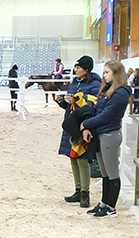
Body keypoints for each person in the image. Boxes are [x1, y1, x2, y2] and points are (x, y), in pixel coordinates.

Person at [81, 60, 132, 217]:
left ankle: (111, 207)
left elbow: (106, 116)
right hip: (101, 133)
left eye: (106, 72)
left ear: (116, 74)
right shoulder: (108, 90)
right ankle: (104, 203)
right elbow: (97, 110)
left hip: (110, 134)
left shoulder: (121, 93)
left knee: (112, 172)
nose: (104, 75)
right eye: (104, 72)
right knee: (104, 172)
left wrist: (85, 123)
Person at [56, 55, 101, 208]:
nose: (75, 70)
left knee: (82, 159)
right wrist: (62, 102)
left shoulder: (95, 84)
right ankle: (77, 189)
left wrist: (77, 100)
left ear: (86, 70)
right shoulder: (74, 83)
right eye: (75, 67)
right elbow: (71, 107)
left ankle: (85, 193)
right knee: (73, 157)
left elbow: (93, 105)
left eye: (79, 67)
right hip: (72, 125)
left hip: (84, 126)